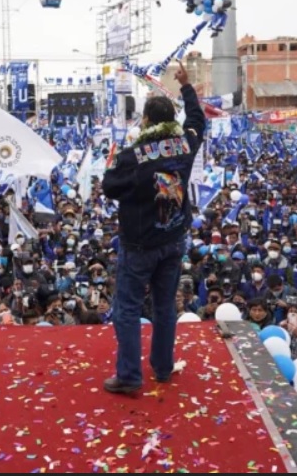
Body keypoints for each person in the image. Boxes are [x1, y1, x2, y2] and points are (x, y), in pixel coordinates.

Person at [100, 60, 205, 394]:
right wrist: (186, 87)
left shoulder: (135, 154)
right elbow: (197, 121)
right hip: (174, 238)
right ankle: (161, 367)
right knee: (164, 307)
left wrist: (117, 165)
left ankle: (130, 376)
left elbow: (110, 187)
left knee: (127, 309)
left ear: (145, 120)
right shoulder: (186, 144)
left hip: (140, 244)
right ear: (171, 122)